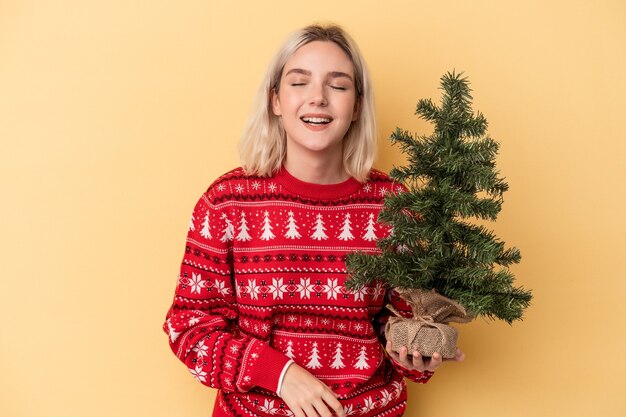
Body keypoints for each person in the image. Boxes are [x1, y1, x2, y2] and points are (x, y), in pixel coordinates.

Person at [163, 23, 464, 417]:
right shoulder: (228, 203)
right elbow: (188, 327)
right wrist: (280, 374)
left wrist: (416, 354)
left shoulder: (393, 206)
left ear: (357, 106)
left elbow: (402, 322)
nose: (318, 98)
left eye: (338, 86)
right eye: (299, 83)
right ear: (275, 101)